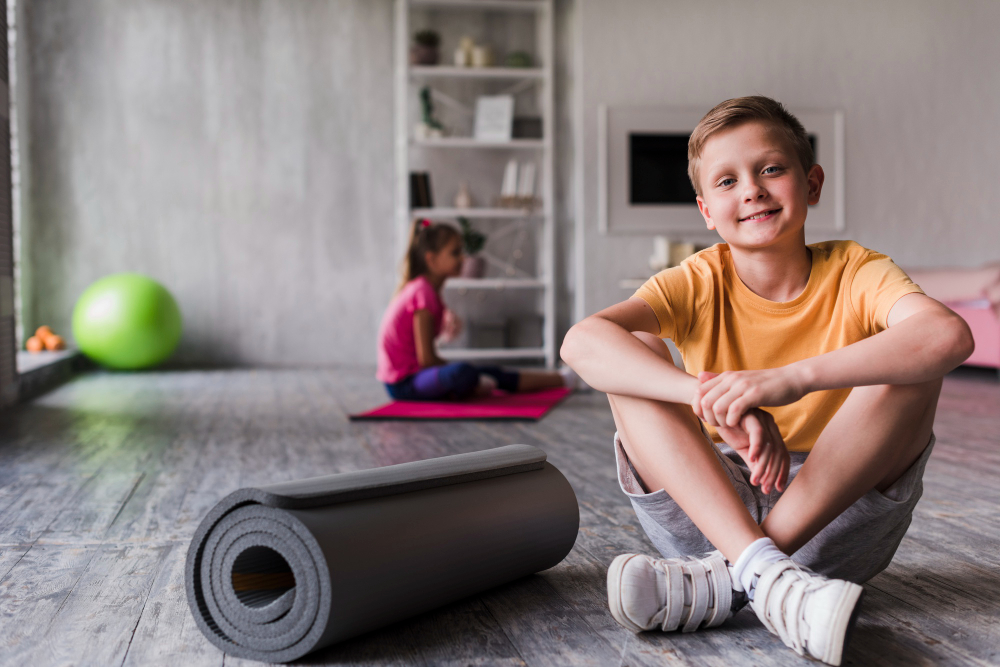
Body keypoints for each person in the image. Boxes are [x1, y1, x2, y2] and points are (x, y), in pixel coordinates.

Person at [560, 96, 974, 665]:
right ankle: (767, 577)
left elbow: (948, 337)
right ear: (707, 209)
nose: (751, 189)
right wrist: (713, 398)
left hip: (833, 520)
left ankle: (729, 581)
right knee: (631, 347)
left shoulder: (857, 270)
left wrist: (785, 381)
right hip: (709, 510)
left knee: (911, 359)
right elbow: (580, 342)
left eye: (771, 169)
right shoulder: (698, 279)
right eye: (727, 181)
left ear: (812, 183)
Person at [377, 218, 579, 400]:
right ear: (431, 259)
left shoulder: (425, 290)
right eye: (455, 252)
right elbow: (427, 360)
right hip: (403, 384)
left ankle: (562, 379)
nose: (462, 258)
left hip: (415, 377)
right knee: (464, 371)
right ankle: (560, 379)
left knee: (483, 372)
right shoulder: (422, 293)